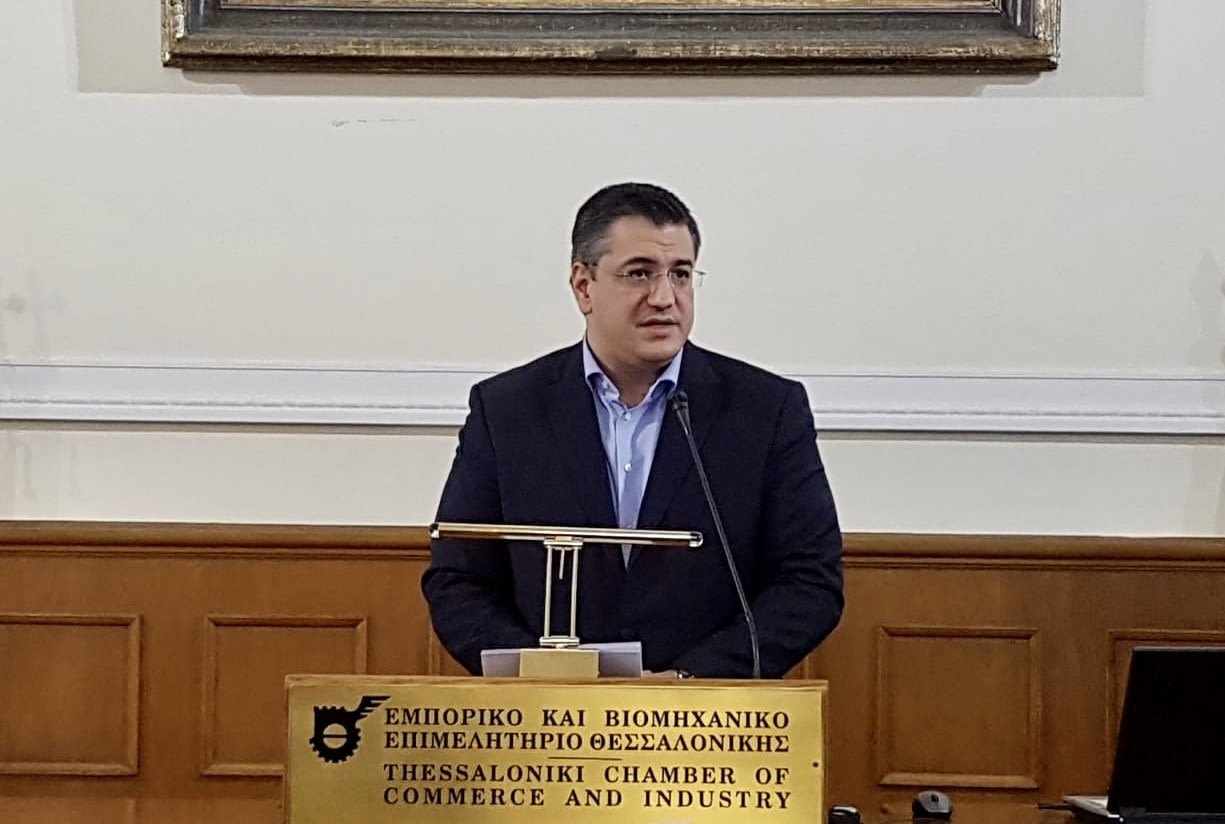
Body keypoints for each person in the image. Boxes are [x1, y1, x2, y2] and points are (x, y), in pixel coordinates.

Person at [422, 182, 843, 679]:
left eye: (680, 274)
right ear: (584, 286)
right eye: (639, 273)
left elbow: (809, 581)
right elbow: (458, 579)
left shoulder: (765, 410)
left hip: (707, 712)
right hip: (548, 711)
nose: (664, 298)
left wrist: (689, 680)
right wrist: (542, 677)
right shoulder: (507, 410)